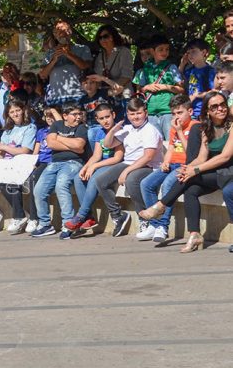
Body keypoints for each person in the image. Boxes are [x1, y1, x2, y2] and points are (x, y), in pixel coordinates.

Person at [139, 91, 233, 253]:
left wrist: (194, 170)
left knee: (191, 178)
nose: (220, 109)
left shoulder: (231, 125)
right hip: (215, 173)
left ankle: (161, 205)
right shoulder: (207, 129)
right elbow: (201, 157)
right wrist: (188, 168)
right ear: (207, 112)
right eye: (215, 106)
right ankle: (195, 234)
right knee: (190, 190)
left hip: (228, 172)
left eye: (223, 104)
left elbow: (225, 157)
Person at [94, 98, 164, 237]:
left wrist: (126, 171)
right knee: (101, 181)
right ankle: (117, 215)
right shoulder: (127, 129)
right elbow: (108, 145)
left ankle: (145, 218)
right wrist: (113, 130)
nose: (136, 117)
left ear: (146, 113)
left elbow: (148, 157)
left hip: (149, 166)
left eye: (138, 113)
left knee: (132, 181)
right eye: (132, 114)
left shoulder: (150, 130)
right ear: (127, 114)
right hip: (129, 163)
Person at [138, 95, 200, 242]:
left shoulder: (195, 126)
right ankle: (154, 224)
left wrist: (179, 131)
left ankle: (163, 226)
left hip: (186, 165)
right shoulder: (174, 127)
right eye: (173, 113)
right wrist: (166, 161)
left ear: (190, 111)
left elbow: (192, 152)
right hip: (172, 164)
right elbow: (171, 148)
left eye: (180, 113)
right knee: (146, 184)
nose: (176, 117)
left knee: (167, 185)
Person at [0, 101, 37, 234]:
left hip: (21, 161)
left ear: (23, 110)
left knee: (7, 182)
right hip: (7, 162)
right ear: (8, 115)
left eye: (17, 110)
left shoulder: (30, 128)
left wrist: (1, 147)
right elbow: (1, 152)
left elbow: (24, 150)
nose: (15, 114)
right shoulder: (8, 130)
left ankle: (19, 215)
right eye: (12, 112)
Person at [30, 104, 89, 239]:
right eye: (74, 114)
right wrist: (72, 144)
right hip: (54, 163)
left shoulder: (81, 128)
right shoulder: (56, 125)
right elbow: (51, 143)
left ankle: (68, 224)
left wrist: (59, 138)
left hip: (73, 163)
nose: (78, 117)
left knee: (61, 186)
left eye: (79, 114)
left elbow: (79, 146)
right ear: (65, 116)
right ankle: (45, 224)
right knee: (38, 190)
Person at [64, 104, 125, 233]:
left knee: (94, 179)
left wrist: (95, 166)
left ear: (113, 115)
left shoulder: (120, 131)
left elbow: (117, 158)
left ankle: (81, 215)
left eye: (107, 117)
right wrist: (86, 167)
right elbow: (97, 155)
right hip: (102, 163)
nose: (105, 121)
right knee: (78, 178)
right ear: (97, 119)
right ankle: (89, 217)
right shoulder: (99, 132)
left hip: (115, 165)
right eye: (101, 118)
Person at [132, 34, 184, 139]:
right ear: (152, 51)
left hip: (168, 111)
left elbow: (181, 89)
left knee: (171, 142)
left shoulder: (172, 67)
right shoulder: (145, 69)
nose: (165, 52)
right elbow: (139, 90)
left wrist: (165, 87)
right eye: (161, 49)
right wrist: (147, 87)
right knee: (155, 144)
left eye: (167, 49)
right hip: (151, 112)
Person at [39, 19, 92, 106]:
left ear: (70, 32)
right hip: (56, 96)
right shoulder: (49, 53)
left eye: (64, 31)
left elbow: (85, 66)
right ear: (55, 35)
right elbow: (43, 75)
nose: (62, 34)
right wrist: (53, 60)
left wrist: (68, 54)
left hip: (78, 94)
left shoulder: (82, 48)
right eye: (58, 32)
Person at [24, 107, 61, 233]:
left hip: (51, 162)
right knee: (31, 179)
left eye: (52, 115)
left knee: (34, 181)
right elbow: (37, 150)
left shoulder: (60, 130)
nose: (50, 118)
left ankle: (35, 218)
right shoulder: (41, 131)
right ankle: (33, 216)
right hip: (40, 162)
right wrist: (32, 162)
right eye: (47, 116)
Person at [179, 38, 215, 120]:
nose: (190, 55)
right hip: (191, 111)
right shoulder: (190, 71)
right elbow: (179, 78)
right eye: (188, 53)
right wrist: (182, 64)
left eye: (193, 51)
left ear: (204, 52)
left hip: (204, 111)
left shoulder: (210, 71)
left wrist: (197, 95)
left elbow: (214, 91)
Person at [92, 24, 134, 89]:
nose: (102, 39)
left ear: (113, 36)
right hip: (105, 94)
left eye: (105, 36)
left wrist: (114, 89)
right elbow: (98, 76)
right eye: (100, 38)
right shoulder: (100, 55)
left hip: (123, 93)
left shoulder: (124, 52)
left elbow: (126, 77)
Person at [0, 62, 20, 136]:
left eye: (9, 72)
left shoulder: (19, 87)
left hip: (16, 130)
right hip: (0, 130)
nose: (5, 75)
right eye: (3, 73)